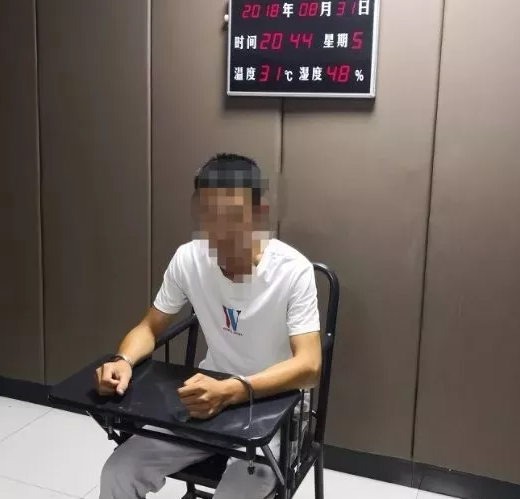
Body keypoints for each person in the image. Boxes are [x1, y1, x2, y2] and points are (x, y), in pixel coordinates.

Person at [95, 153, 321, 499]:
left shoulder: (292, 271)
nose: (220, 230)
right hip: (208, 395)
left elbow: (309, 365)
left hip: (277, 407)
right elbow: (149, 327)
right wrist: (123, 361)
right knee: (119, 472)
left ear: (258, 213)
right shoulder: (189, 258)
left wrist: (233, 390)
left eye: (233, 216)